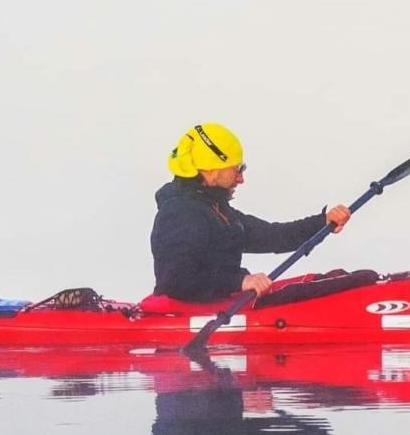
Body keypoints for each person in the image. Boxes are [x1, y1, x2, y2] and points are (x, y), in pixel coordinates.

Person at [150, 122, 351, 303]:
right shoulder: (179, 214)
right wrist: (240, 282)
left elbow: (271, 236)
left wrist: (323, 222)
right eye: (237, 170)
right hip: (198, 314)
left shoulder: (214, 208)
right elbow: (175, 281)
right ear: (211, 171)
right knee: (350, 286)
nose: (240, 179)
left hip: (224, 302)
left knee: (350, 279)